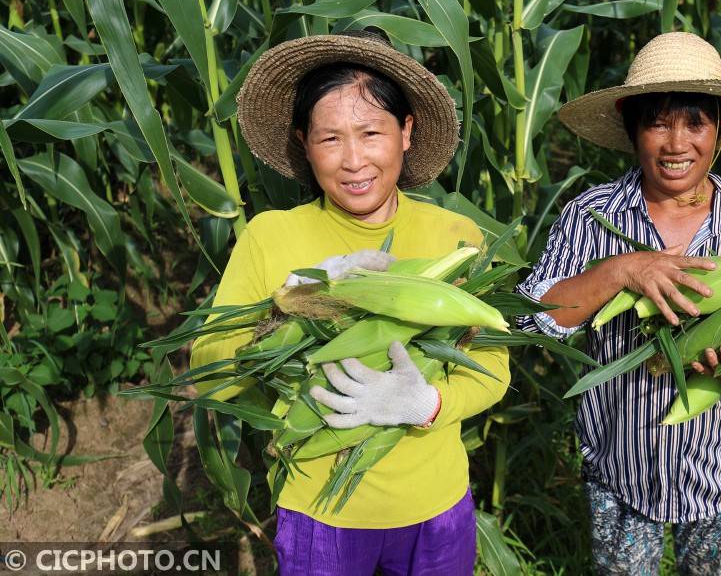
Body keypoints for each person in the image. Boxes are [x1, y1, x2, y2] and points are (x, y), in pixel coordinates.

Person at [191, 31, 510, 575]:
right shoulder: (271, 238)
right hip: (319, 515)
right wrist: (285, 304)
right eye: (330, 139)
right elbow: (210, 375)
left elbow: (493, 371)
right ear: (303, 142)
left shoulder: (456, 239)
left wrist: (424, 405)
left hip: (434, 510)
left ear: (406, 132)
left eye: (371, 132)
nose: (354, 160)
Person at [515, 32, 721, 575]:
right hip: (622, 467)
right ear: (632, 130)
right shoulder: (592, 216)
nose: (676, 143)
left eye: (694, 123)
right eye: (657, 123)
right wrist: (621, 271)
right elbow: (535, 316)